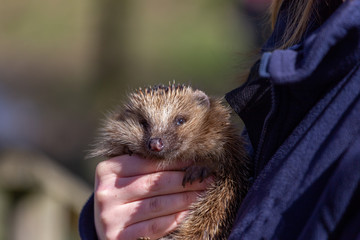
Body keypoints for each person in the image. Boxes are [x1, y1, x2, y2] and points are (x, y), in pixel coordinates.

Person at [79, 0, 360, 239]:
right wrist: (113, 221)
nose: (157, 141)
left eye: (179, 122)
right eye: (144, 125)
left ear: (203, 109)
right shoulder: (283, 72)